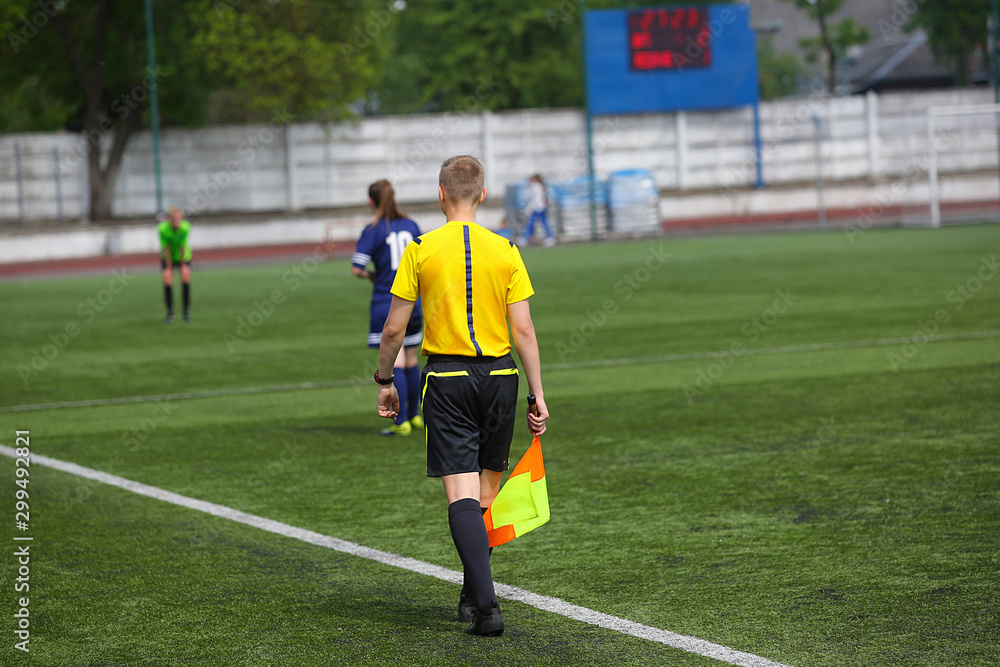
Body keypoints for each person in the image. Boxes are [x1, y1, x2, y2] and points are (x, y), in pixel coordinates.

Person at [376, 155, 549, 637]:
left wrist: (385, 380)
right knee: (487, 492)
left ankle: (487, 605)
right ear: (484, 195)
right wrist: (537, 395)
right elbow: (525, 330)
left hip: (448, 380)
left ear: (440, 194)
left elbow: (394, 328)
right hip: (501, 378)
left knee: (461, 494)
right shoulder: (507, 249)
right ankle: (472, 593)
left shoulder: (421, 249)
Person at [352, 179, 424, 436]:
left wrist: (371, 275)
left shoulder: (373, 230)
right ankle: (416, 416)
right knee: (412, 359)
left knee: (396, 362)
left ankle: (400, 420)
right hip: (414, 302)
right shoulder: (411, 225)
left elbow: (356, 268)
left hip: (387, 301)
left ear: (371, 201)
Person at [159, 206, 192, 323]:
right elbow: (166, 248)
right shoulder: (163, 228)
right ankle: (170, 313)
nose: (176, 222)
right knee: (167, 279)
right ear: (169, 219)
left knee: (185, 277)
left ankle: (186, 312)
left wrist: (183, 266)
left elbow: (183, 247)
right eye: (174, 219)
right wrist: (168, 268)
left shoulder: (185, 227)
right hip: (168, 257)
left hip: (183, 256)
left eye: (178, 219)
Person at [519, 173, 555, 247]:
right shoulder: (540, 186)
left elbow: (533, 199)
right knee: (535, 224)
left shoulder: (535, 187)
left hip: (537, 208)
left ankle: (550, 237)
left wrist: (528, 209)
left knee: (538, 223)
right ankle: (526, 238)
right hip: (539, 207)